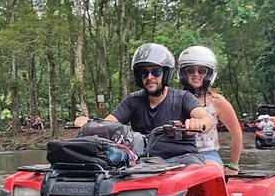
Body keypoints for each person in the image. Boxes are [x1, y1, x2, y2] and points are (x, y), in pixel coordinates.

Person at [75, 43, 214, 165]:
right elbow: (108, 124)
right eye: (144, 73)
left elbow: (206, 120)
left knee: (193, 174)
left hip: (183, 159)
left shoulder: (183, 97)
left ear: (165, 74)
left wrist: (198, 123)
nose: (150, 77)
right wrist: (89, 123)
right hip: (144, 162)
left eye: (156, 72)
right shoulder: (133, 100)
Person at [177, 46, 243, 176]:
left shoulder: (217, 101)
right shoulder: (174, 98)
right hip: (179, 153)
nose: (196, 74)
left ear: (209, 74)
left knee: (206, 174)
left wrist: (233, 166)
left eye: (202, 71)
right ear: (184, 73)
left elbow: (236, 132)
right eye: (191, 70)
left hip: (207, 155)